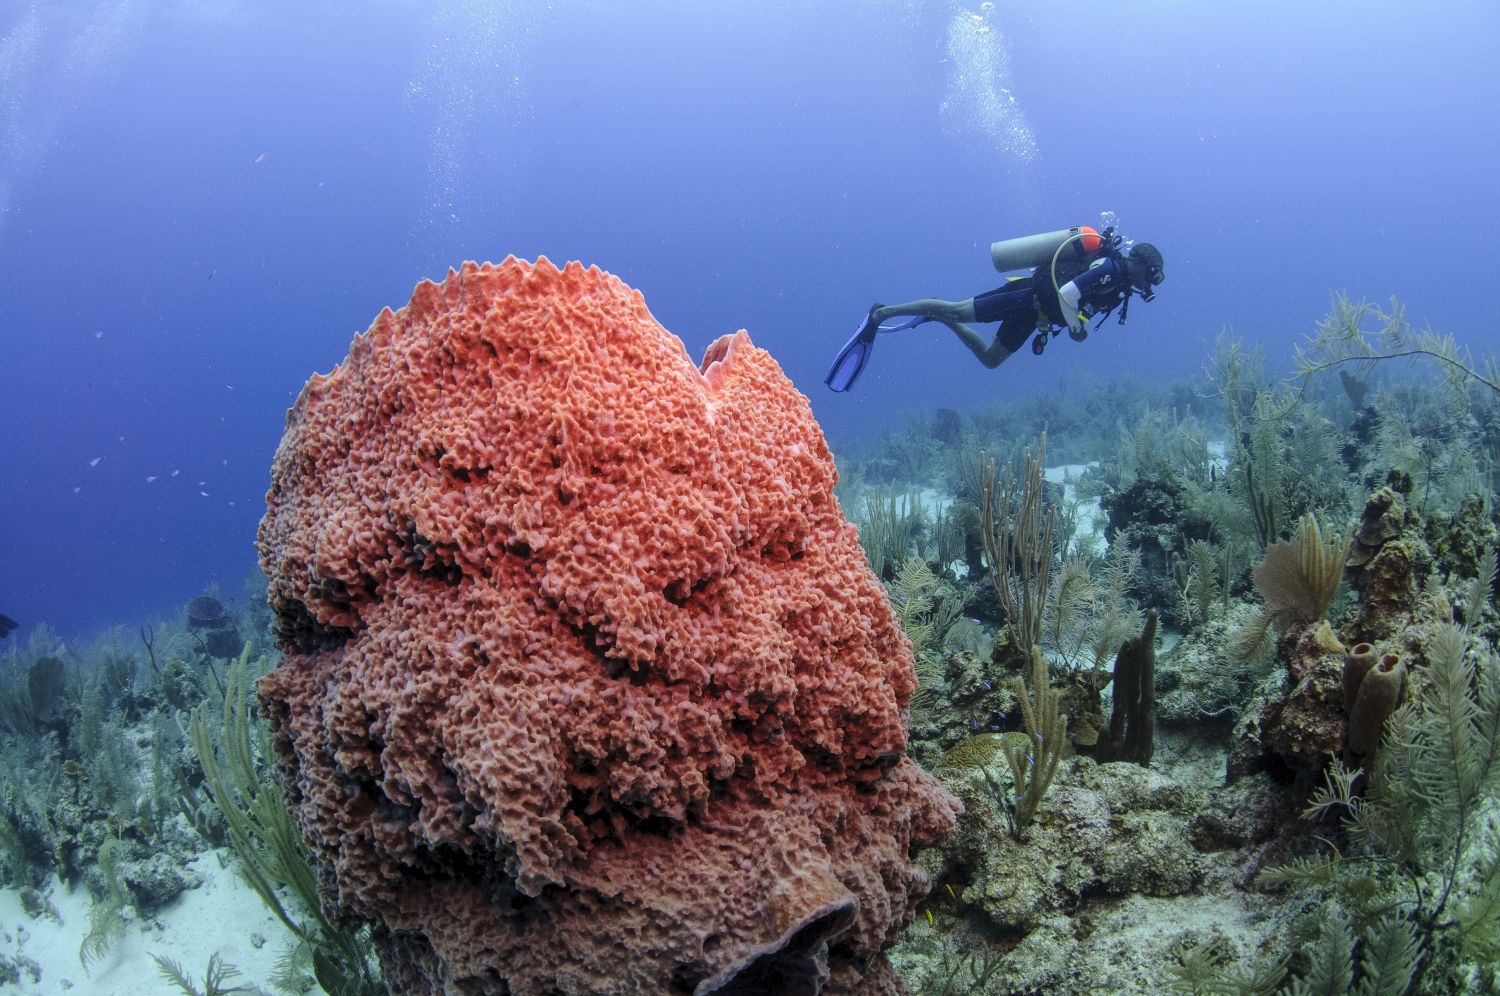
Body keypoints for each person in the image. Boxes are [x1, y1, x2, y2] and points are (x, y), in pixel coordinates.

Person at [825, 226, 1165, 392]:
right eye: (1149, 276)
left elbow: (1074, 303)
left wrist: (1074, 323)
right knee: (957, 309)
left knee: (990, 360)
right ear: (1139, 265)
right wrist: (1076, 329)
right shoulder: (1109, 270)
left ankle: (938, 319)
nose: (1147, 284)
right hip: (1026, 296)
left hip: (1037, 317)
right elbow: (1068, 291)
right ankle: (881, 313)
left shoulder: (1119, 286)